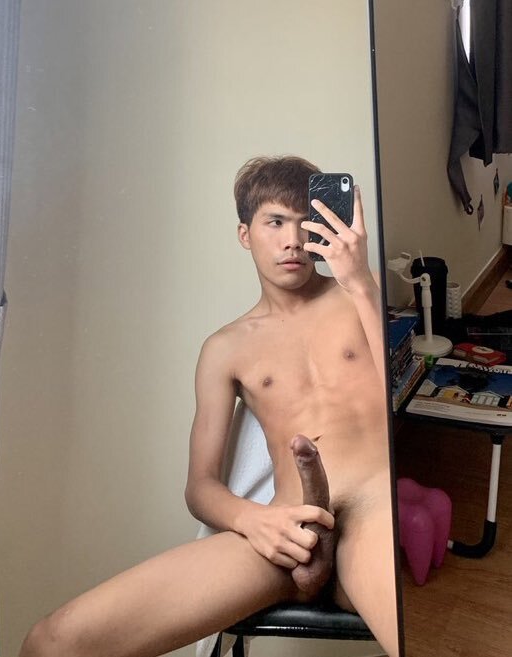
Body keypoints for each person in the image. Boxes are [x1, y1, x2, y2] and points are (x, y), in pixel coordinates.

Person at [20, 155, 399, 657]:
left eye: (303, 222)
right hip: (282, 530)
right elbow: (200, 488)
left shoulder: (357, 296)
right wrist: (254, 521)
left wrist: (361, 282)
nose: (292, 239)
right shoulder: (225, 348)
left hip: (370, 509)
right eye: (274, 222)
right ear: (245, 234)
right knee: (53, 641)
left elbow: (401, 400)